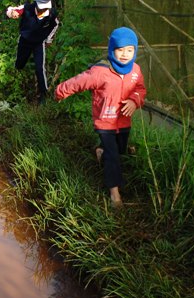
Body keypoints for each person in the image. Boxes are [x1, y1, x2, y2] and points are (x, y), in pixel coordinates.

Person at [54, 27, 146, 206]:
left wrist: (135, 101)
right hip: (105, 121)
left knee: (120, 150)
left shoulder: (135, 70)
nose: (125, 54)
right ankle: (115, 195)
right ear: (112, 50)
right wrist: (60, 92)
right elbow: (78, 82)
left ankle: (100, 153)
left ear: (135, 50)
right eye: (120, 50)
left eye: (130, 50)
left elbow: (140, 89)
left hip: (124, 120)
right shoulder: (100, 71)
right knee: (113, 157)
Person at [6, 0, 61, 103]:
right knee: (20, 63)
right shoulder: (28, 8)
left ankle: (43, 93)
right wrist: (11, 13)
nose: (42, 9)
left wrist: (49, 40)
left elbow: (55, 25)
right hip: (24, 41)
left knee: (40, 68)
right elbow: (12, 9)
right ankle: (17, 79)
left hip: (39, 43)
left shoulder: (51, 15)